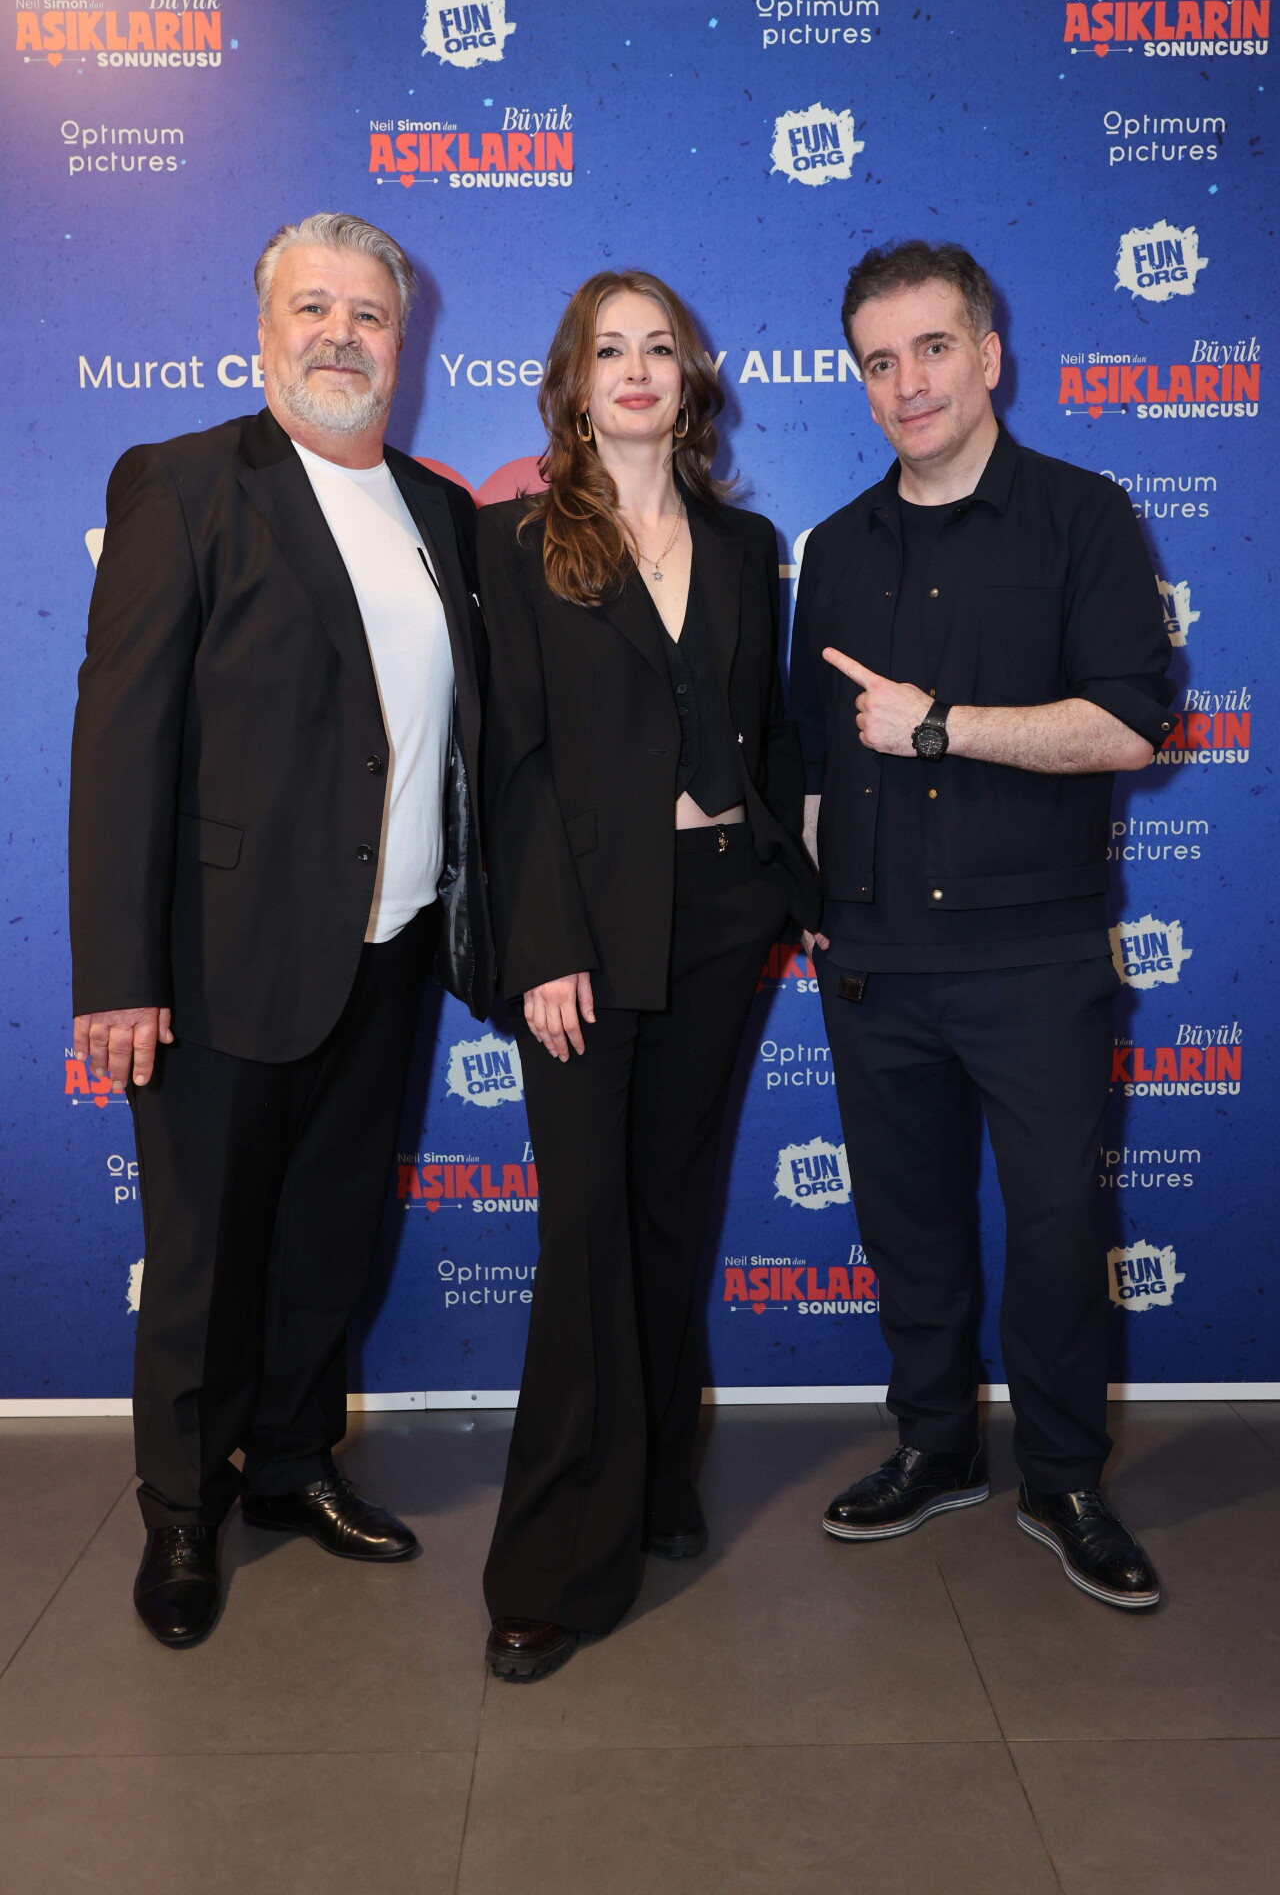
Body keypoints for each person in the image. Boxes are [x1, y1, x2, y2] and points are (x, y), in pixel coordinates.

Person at [68, 212, 492, 1648]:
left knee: (327, 1234)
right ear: (263, 333)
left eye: (368, 314)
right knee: (204, 1257)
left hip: (394, 948)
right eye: (312, 308)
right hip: (219, 958)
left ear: (402, 342)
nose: (340, 336)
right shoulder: (185, 482)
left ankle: (295, 1466)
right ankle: (183, 1513)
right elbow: (121, 740)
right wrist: (119, 974)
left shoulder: (439, 512)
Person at [790, 241, 1174, 1609]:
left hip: (1035, 961)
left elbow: (1129, 725)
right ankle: (936, 1446)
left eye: (934, 348)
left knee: (1059, 1230)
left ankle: (1063, 1480)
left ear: (990, 353)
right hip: (876, 961)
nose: (909, 382)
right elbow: (814, 759)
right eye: (880, 361)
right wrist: (820, 910)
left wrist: (941, 725)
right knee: (907, 1226)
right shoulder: (836, 548)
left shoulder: (1083, 517)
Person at [477, 269, 819, 1680]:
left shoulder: (743, 544)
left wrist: (797, 890)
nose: (634, 368)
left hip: (725, 911)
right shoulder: (518, 541)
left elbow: (767, 730)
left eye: (658, 348)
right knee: (587, 1228)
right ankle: (555, 1562)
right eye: (607, 349)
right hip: (585, 928)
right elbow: (511, 761)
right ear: (573, 383)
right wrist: (544, 942)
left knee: (674, 1211)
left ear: (689, 380)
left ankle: (658, 1482)